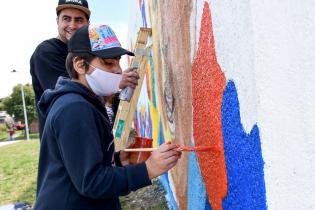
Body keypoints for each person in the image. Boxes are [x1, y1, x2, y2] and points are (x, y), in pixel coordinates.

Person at [34, 24, 182, 210]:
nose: (118, 70)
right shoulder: (75, 108)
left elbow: (82, 162)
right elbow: (91, 182)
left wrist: (120, 160)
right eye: (108, 62)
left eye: (118, 62)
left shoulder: (83, 103)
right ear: (80, 65)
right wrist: (148, 169)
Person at [30, 0, 90, 137]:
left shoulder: (87, 53)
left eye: (79, 19)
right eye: (66, 19)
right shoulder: (46, 52)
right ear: (58, 21)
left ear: (88, 24)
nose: (72, 25)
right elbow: (69, 95)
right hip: (62, 143)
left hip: (87, 134)